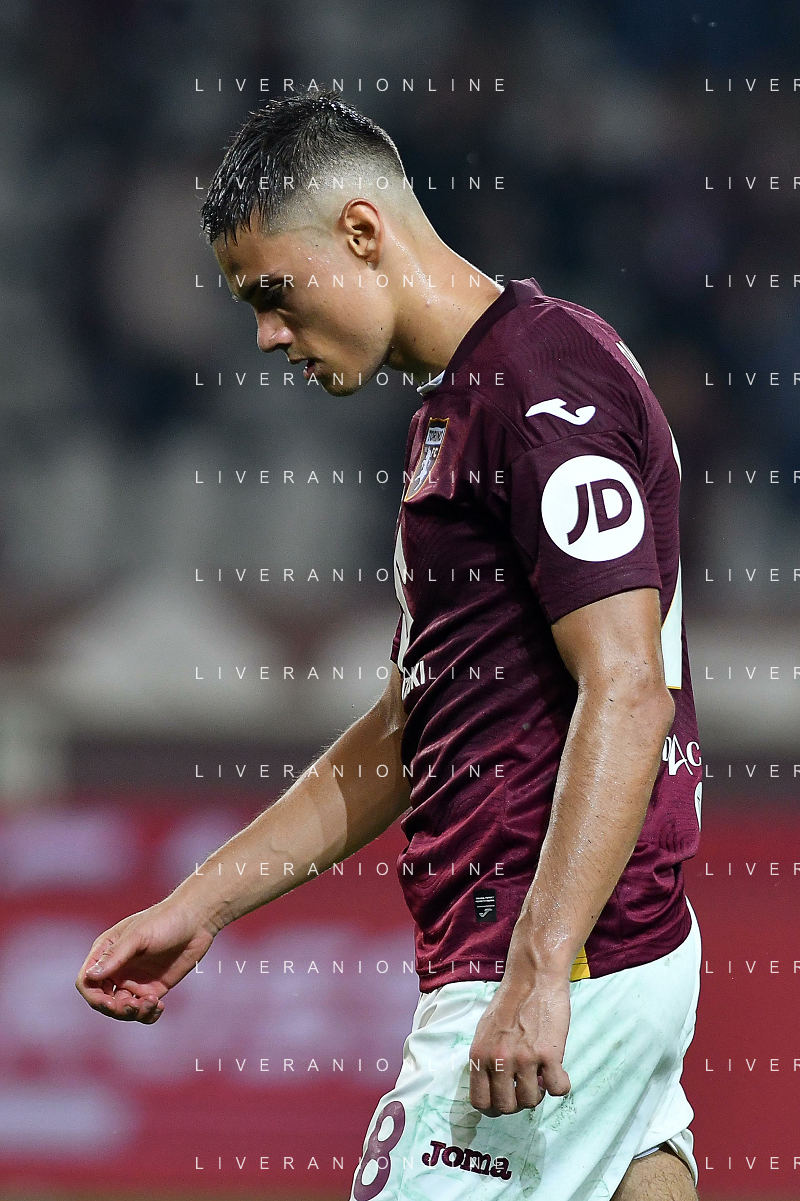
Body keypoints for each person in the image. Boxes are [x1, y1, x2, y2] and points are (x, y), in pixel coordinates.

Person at [76, 91, 704, 1201]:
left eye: (273, 293)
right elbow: (413, 727)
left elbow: (625, 688)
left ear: (361, 232)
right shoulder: (459, 411)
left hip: (548, 951)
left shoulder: (543, 387)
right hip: (584, 954)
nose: (267, 336)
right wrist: (199, 904)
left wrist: (533, 972)